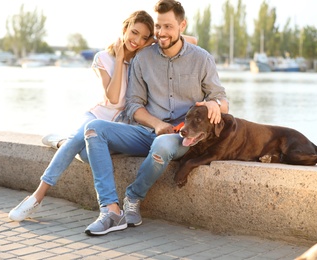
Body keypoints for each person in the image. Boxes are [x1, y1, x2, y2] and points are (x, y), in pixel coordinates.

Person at [83, 0, 229, 236]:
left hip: (182, 135)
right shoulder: (143, 58)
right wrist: (157, 124)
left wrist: (214, 103)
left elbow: (223, 101)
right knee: (94, 129)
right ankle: (110, 210)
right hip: (147, 130)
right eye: (159, 27)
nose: (162, 33)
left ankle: (132, 197)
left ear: (182, 25)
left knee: (162, 146)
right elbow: (133, 105)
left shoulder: (202, 59)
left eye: (168, 27)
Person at [8, 10, 156, 223]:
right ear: (124, 29)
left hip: (119, 126)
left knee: (87, 154)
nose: (137, 40)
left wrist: (150, 41)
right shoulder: (103, 58)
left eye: (144, 37)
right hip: (96, 116)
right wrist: (121, 56)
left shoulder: (142, 59)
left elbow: (190, 40)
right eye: (134, 33)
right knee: (79, 139)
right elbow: (113, 99)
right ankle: (37, 196)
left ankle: (61, 141)